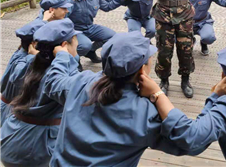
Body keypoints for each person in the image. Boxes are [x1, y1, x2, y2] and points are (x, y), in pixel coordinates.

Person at [45, 32, 188, 166]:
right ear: (141, 70)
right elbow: (190, 139)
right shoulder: (145, 113)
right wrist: (158, 94)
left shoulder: (82, 81)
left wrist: (62, 56)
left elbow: (52, 83)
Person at [1, 19, 80, 167]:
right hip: (36, 148)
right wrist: (65, 58)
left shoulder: (29, 64)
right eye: (75, 41)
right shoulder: (64, 76)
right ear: (64, 45)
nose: (78, 44)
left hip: (11, 136)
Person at [64, 0, 128, 63]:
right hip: (73, 30)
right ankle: (74, 59)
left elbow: (107, 7)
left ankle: (90, 51)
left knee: (112, 36)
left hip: (89, 27)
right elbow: (61, 15)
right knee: (85, 45)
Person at [0, 19, 47, 126]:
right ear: (34, 44)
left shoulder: (22, 50)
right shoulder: (24, 61)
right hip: (10, 111)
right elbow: (17, 77)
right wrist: (34, 57)